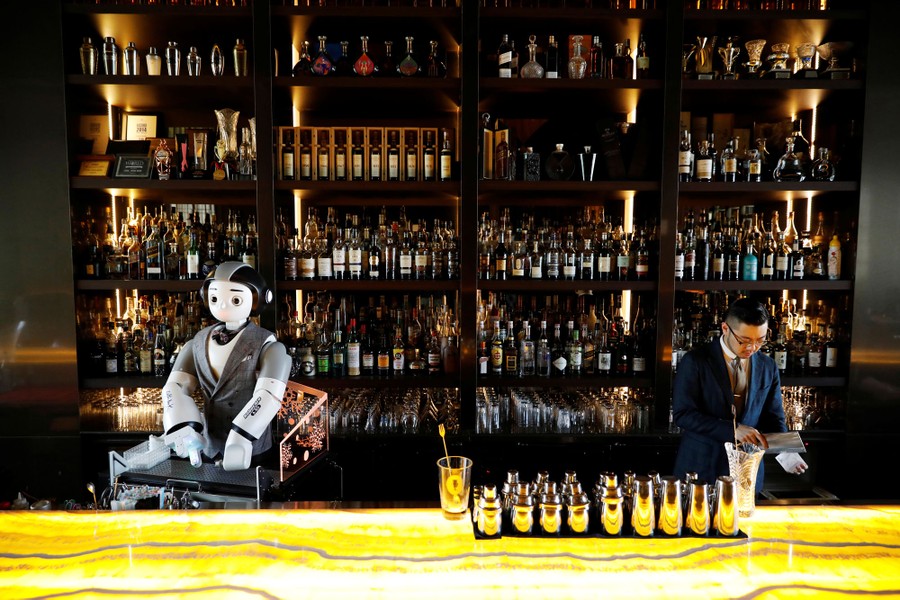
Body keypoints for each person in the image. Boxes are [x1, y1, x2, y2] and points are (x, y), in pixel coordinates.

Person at [161, 262, 291, 471]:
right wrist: (182, 425)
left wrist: (243, 436)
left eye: (235, 299)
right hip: (208, 448)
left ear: (258, 300)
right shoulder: (197, 341)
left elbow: (268, 397)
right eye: (214, 298)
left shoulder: (267, 345)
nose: (222, 305)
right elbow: (174, 387)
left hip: (251, 449)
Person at [672, 297, 807, 490]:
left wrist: (786, 452)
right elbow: (683, 415)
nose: (752, 348)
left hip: (748, 474)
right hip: (701, 470)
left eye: (760, 340)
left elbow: (773, 417)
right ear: (725, 329)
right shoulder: (696, 361)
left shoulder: (767, 366)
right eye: (744, 341)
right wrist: (733, 430)